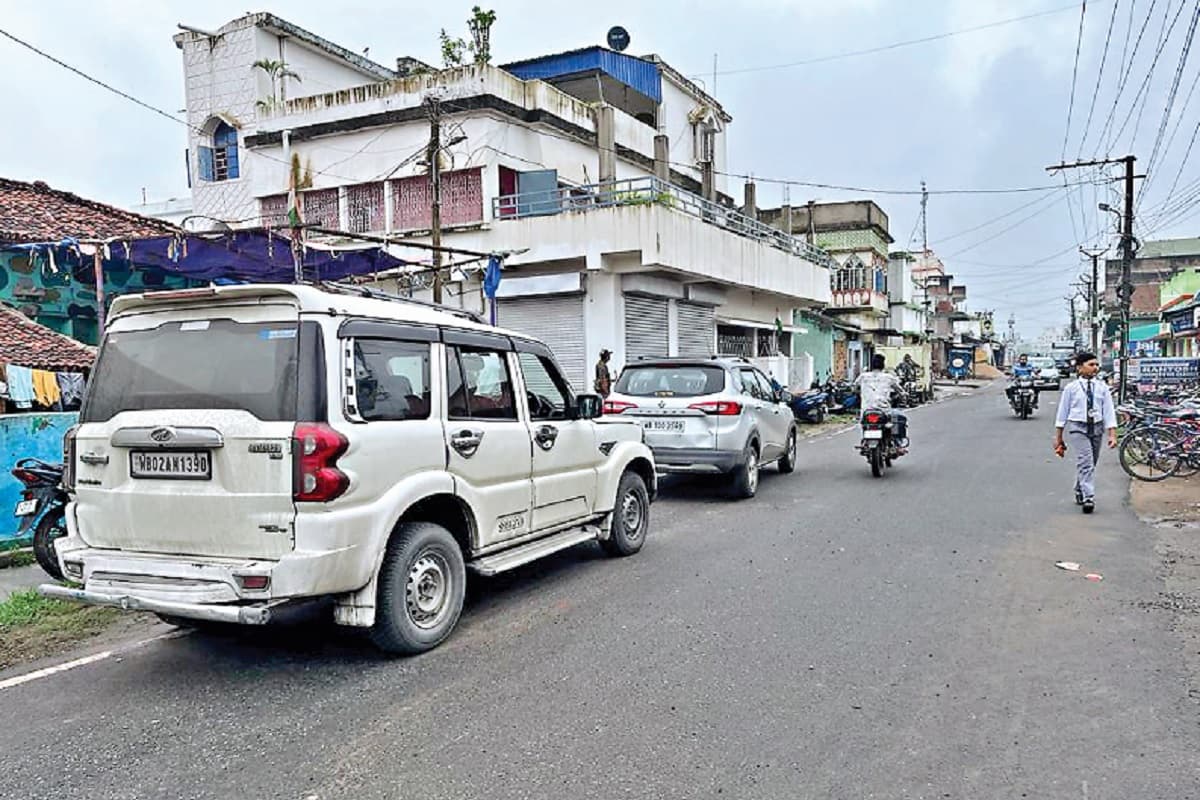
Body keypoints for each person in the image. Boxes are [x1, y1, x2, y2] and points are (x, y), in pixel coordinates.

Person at [1053, 351, 1118, 514]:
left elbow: (1109, 411)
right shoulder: (1071, 388)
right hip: (1078, 428)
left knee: (1091, 463)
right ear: (1080, 368)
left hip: (1096, 427)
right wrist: (1059, 438)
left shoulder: (1102, 387)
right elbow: (1062, 413)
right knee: (1086, 460)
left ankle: (1079, 488)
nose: (1095, 368)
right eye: (1091, 365)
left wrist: (1112, 434)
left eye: (1096, 365)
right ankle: (1089, 497)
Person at [855, 354, 908, 447]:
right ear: (883, 365)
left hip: (866, 410)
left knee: (864, 423)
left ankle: (865, 441)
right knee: (898, 417)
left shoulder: (863, 377)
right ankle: (898, 443)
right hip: (884, 410)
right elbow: (900, 391)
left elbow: (854, 388)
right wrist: (904, 395)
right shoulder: (889, 377)